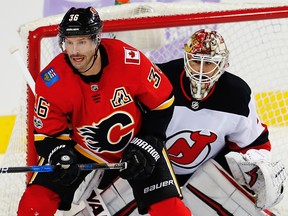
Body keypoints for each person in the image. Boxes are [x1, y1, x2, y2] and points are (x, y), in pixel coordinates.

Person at [79, 28, 287, 216]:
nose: (201, 70)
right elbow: (121, 120)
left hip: (207, 181)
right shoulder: (159, 77)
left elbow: (255, 144)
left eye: (210, 64)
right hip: (151, 171)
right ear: (186, 57)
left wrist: (254, 167)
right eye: (196, 61)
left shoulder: (237, 96)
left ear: (223, 65)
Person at [17, 6, 191, 216]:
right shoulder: (51, 80)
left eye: (81, 42)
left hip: (134, 145)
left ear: (96, 39)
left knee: (172, 211)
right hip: (81, 149)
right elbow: (47, 135)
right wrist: (60, 154)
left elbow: (163, 102)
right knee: (34, 204)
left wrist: (149, 141)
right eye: (69, 42)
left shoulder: (129, 61)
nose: (74, 51)